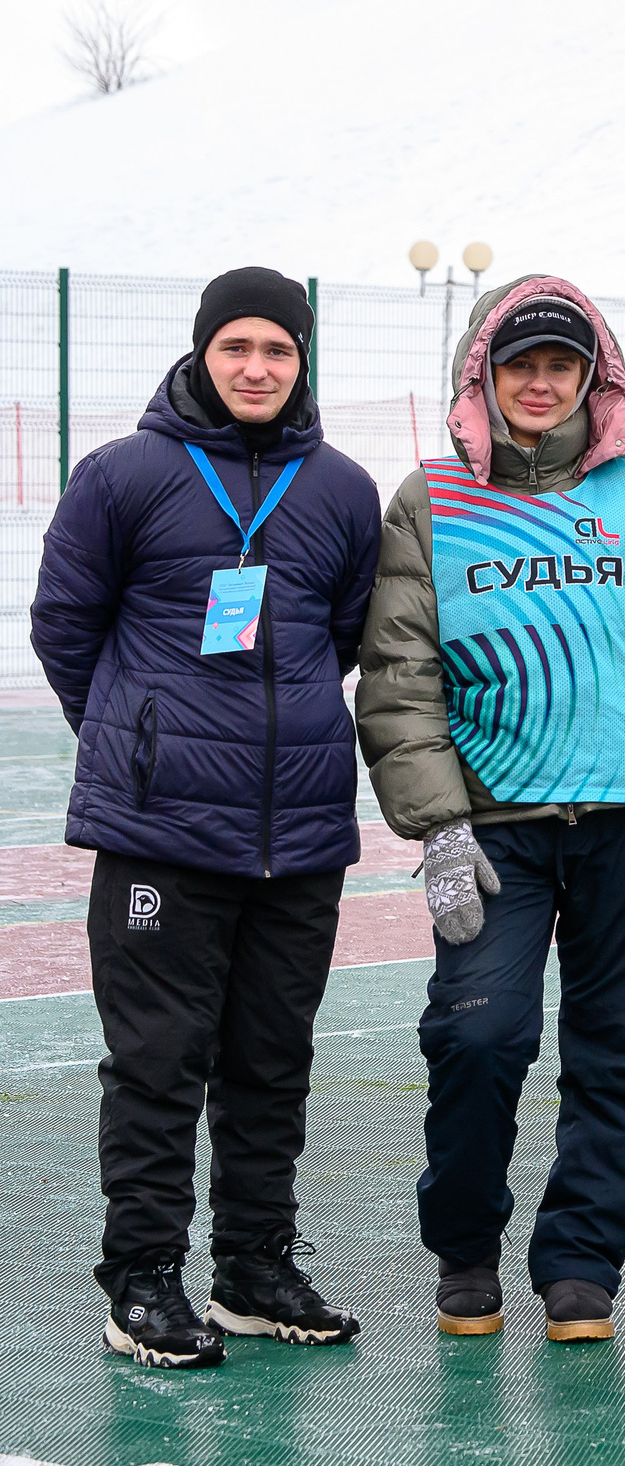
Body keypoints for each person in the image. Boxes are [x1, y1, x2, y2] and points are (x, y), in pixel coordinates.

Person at [356, 277, 625, 1344]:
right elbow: (400, 671)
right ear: (482, 376)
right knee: (479, 1036)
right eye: (520, 365)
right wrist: (438, 826)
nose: (540, 384)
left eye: (560, 366)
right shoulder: (431, 500)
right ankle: (466, 1247)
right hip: (495, 829)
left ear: (593, 379)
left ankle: (581, 1268)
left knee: (617, 1052)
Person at [33, 268, 380, 1369]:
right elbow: (64, 626)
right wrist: (144, 735)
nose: (256, 369)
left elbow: (343, 635)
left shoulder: (341, 488)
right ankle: (140, 1279)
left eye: (277, 350)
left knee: (272, 1060)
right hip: (162, 833)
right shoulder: (123, 475)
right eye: (236, 347)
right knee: (157, 1063)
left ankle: (253, 1269)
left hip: (301, 832)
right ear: (201, 353)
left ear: (301, 360)